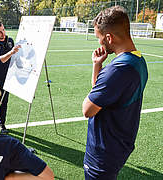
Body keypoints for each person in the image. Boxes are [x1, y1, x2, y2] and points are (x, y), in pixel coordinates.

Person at [82, 6, 148, 180]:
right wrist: (97, 65)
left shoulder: (118, 69)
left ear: (109, 37)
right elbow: (102, 95)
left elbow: (87, 110)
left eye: (99, 37)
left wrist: (103, 71)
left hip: (104, 150)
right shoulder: (139, 60)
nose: (99, 42)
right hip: (120, 143)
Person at [0, 19, 20, 133]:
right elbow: (0, 60)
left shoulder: (10, 40)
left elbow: (15, 57)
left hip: (7, 76)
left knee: (4, 101)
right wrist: (12, 52)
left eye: (3, 30)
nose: (3, 34)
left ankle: (2, 124)